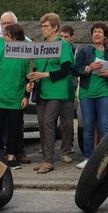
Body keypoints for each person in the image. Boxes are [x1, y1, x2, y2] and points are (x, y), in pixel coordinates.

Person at [27, 13, 75, 174]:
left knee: (48, 122)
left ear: (55, 27)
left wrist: (45, 75)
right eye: (42, 26)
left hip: (57, 90)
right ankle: (45, 158)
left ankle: (49, 161)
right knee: (41, 124)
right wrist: (32, 79)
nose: (43, 29)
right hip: (42, 90)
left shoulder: (63, 45)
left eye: (46, 26)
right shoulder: (42, 45)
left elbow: (66, 69)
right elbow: (36, 68)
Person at [0, 11, 31, 164]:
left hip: (16, 99)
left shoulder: (26, 50)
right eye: (3, 24)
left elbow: (29, 77)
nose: (4, 33)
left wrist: (26, 96)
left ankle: (13, 155)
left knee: (14, 129)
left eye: (8, 25)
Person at [74, 23, 108, 169]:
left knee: (104, 124)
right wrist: (89, 68)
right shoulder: (84, 50)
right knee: (88, 125)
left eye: (100, 32)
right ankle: (88, 158)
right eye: (95, 32)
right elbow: (75, 70)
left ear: (105, 36)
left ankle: (106, 157)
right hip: (86, 92)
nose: (97, 34)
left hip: (104, 91)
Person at [58, 24, 76, 162]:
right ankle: (47, 149)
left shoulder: (73, 49)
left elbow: (74, 68)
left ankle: (66, 150)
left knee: (67, 123)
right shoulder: (52, 47)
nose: (63, 39)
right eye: (61, 36)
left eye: (66, 37)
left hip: (68, 90)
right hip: (51, 89)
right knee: (48, 122)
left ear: (71, 38)